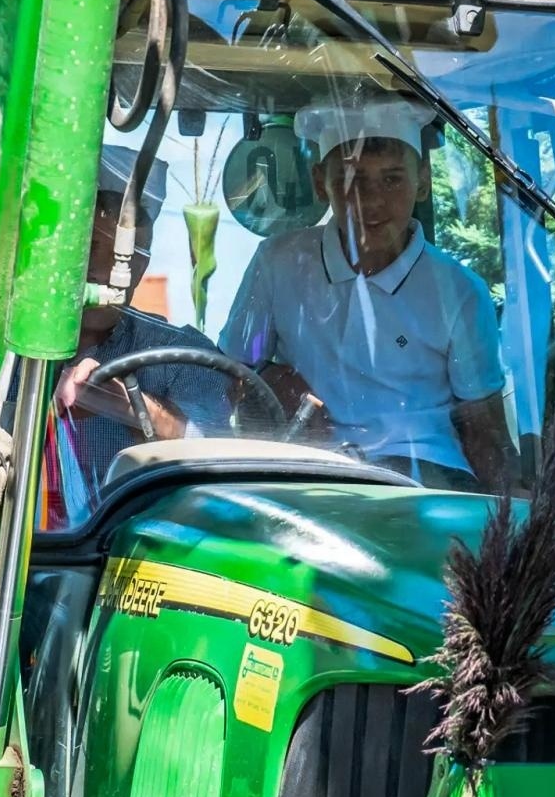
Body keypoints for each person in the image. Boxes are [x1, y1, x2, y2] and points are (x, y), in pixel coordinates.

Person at [219, 97, 515, 492]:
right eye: (352, 179)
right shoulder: (277, 262)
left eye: (392, 179)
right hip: (310, 469)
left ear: (423, 181)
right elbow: (232, 374)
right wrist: (268, 378)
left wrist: (516, 504)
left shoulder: (460, 291)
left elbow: (484, 432)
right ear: (320, 182)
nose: (373, 201)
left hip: (427, 476)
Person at [43, 145, 227, 522]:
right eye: (92, 247)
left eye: (124, 257)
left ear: (140, 266)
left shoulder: (181, 355)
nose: (103, 270)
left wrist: (131, 407)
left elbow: (220, 463)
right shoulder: (6, 358)